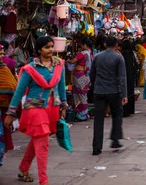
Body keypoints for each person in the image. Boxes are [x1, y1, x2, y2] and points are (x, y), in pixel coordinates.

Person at [4, 36, 66, 184]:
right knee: (43, 142)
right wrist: (11, 112)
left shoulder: (59, 65)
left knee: (38, 139)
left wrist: (64, 105)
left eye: (52, 46)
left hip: (51, 108)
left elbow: (61, 86)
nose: (50, 50)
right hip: (34, 108)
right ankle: (44, 181)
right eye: (46, 47)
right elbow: (19, 91)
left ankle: (24, 167)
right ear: (39, 50)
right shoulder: (30, 69)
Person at [90, 36, 127, 156]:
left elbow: (92, 74)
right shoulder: (118, 57)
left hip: (99, 91)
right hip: (114, 91)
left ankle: (96, 147)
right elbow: (122, 77)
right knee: (117, 115)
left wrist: (94, 86)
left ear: (105, 44)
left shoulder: (97, 57)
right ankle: (115, 140)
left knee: (98, 119)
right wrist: (124, 94)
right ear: (116, 45)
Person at [67, 37, 93, 121]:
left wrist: (67, 60)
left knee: (78, 94)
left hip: (79, 76)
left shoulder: (82, 53)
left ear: (84, 44)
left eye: (81, 44)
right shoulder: (90, 53)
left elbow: (72, 61)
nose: (81, 46)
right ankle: (84, 113)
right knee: (83, 94)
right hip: (86, 76)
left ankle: (81, 114)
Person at [0, 44, 17, 154]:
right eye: (0, 54)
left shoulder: (4, 68)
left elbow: (12, 85)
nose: (2, 56)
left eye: (3, 54)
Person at [121, 39, 138, 117]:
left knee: (125, 92)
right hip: (131, 76)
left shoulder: (123, 54)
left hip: (124, 75)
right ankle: (130, 110)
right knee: (130, 92)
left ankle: (125, 110)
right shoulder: (132, 54)